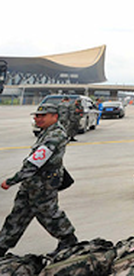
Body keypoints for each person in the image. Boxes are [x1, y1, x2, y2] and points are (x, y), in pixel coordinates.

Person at [0, 104, 78, 257]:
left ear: (54, 117)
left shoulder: (55, 136)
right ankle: (2, 246)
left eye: (42, 116)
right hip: (31, 183)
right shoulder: (46, 132)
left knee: (49, 214)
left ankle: (68, 239)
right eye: (36, 116)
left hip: (44, 185)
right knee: (18, 215)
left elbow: (35, 162)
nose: (37, 118)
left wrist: (12, 180)